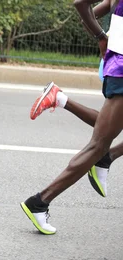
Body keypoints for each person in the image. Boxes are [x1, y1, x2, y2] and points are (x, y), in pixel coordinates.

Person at [21, 0, 122, 235]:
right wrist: (102, 37)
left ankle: (106, 156)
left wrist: (102, 37)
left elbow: (87, 9)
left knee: (104, 135)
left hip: (116, 64)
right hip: (121, 69)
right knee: (98, 144)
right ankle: (40, 201)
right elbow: (81, 4)